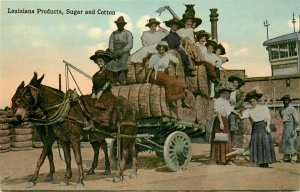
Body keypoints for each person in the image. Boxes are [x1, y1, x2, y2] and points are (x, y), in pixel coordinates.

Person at [146, 41, 189, 108]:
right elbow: (151, 68)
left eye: (163, 49)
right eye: (160, 49)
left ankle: (183, 100)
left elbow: (177, 61)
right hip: (156, 74)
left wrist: (177, 70)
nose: (161, 51)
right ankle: (171, 100)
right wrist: (147, 79)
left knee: (175, 81)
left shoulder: (167, 56)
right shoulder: (154, 56)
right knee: (169, 81)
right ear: (158, 49)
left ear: (165, 49)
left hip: (163, 73)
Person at [241, 90, 276, 167]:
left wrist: (268, 126)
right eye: (251, 102)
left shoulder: (263, 108)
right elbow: (242, 117)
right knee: (257, 144)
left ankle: (266, 162)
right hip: (255, 127)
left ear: (256, 101)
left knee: (265, 143)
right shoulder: (249, 111)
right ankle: (260, 162)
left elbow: (268, 118)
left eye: (254, 101)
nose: (252, 103)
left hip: (263, 126)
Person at [84, 50, 115, 130]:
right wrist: (93, 93)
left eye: (100, 61)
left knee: (101, 103)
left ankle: (103, 122)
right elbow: (94, 86)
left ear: (105, 62)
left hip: (107, 94)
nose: (99, 63)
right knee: (88, 101)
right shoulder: (95, 76)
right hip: (97, 94)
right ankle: (89, 122)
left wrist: (101, 91)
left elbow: (108, 82)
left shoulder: (108, 72)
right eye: (97, 61)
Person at [210, 86, 241, 165]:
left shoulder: (226, 102)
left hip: (226, 120)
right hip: (220, 120)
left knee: (226, 139)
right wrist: (221, 122)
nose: (227, 95)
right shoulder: (218, 101)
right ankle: (220, 159)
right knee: (220, 138)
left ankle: (226, 158)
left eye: (228, 93)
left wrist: (239, 114)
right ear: (222, 93)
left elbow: (231, 109)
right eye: (225, 93)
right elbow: (218, 112)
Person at [106, 16, 133, 85]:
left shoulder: (128, 33)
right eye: (118, 24)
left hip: (124, 51)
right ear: (116, 24)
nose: (119, 25)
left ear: (124, 25)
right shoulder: (113, 34)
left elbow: (130, 45)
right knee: (110, 61)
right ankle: (112, 80)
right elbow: (111, 44)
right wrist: (112, 52)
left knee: (123, 61)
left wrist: (122, 51)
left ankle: (121, 80)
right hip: (115, 52)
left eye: (121, 24)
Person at [279, 95, 299, 163]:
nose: (285, 102)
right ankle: (287, 157)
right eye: (284, 100)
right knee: (285, 141)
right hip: (285, 126)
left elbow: (296, 121)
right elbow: (281, 117)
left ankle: (294, 157)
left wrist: (293, 129)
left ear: (290, 101)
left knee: (292, 141)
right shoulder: (281, 109)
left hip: (291, 125)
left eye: (286, 100)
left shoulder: (293, 109)